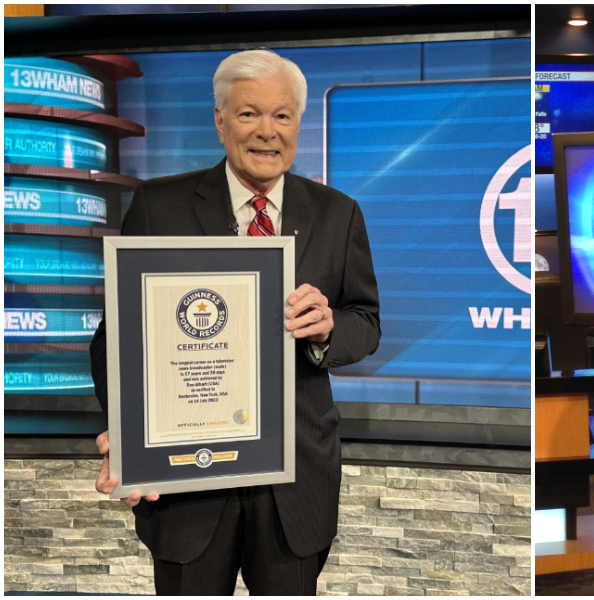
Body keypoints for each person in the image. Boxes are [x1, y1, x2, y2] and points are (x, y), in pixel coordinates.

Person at [89, 49, 381, 595]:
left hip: (295, 480)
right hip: (186, 480)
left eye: (281, 115)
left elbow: (365, 320)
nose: (266, 132)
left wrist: (327, 329)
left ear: (298, 122)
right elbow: (115, 338)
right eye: (248, 114)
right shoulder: (159, 205)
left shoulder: (338, 213)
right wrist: (126, 436)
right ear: (220, 121)